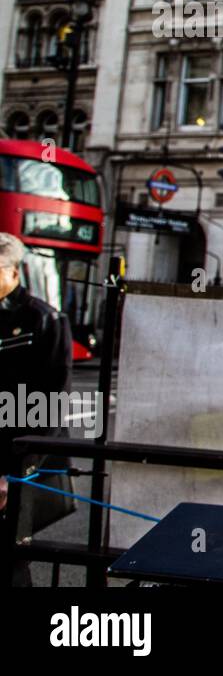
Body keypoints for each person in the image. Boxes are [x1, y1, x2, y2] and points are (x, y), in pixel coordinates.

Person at [0, 233, 73, 586]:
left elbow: (52, 403)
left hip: (16, 459)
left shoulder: (45, 320)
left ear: (14, 272)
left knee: (11, 560)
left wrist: (16, 474)